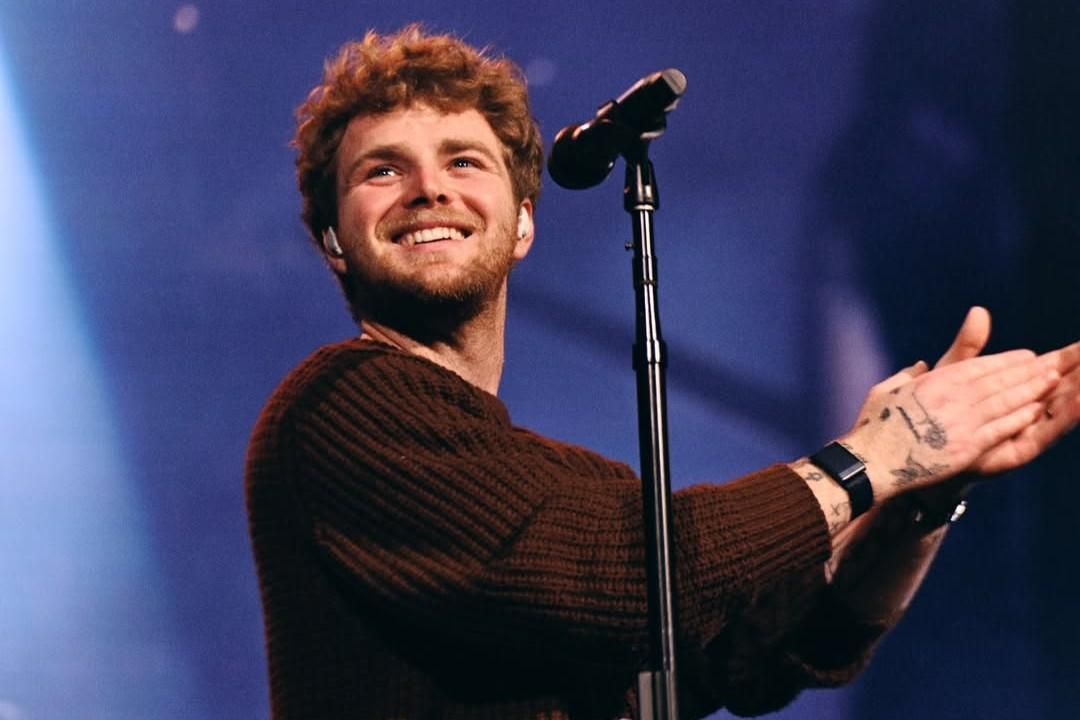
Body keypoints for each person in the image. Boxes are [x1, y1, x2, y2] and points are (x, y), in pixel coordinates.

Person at [245, 25, 1080, 720]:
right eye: (383, 169)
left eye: (464, 161)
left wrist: (921, 495)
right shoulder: (336, 408)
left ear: (523, 223)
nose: (429, 188)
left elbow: (764, 653)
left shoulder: (567, 487)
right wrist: (876, 455)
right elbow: (612, 582)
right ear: (333, 241)